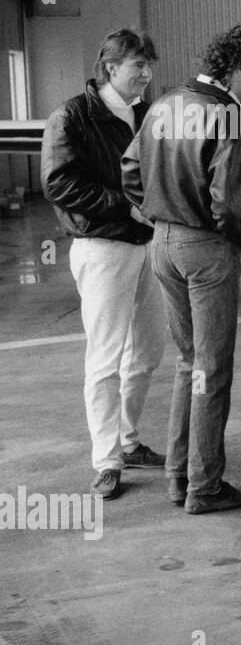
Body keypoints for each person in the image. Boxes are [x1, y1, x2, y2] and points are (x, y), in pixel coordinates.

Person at [121, 23, 241, 514]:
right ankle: (206, 486)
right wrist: (239, 238)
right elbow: (230, 202)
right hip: (205, 249)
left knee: (189, 362)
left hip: (162, 245)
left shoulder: (164, 105)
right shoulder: (231, 116)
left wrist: (156, 212)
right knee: (212, 370)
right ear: (237, 67)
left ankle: (179, 475)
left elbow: (130, 171)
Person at [41, 28, 168, 500]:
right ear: (111, 68)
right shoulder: (71, 116)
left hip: (145, 246)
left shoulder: (145, 114)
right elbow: (59, 183)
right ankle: (106, 460)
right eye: (139, 66)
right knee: (105, 357)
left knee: (150, 349)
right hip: (103, 247)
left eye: (148, 66)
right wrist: (123, 206)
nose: (147, 75)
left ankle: (128, 440)